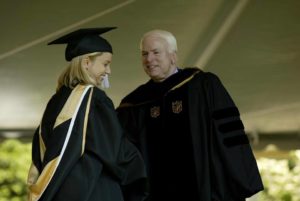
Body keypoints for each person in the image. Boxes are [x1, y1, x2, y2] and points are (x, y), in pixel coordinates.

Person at [116, 29, 264, 201]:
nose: (149, 59)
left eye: (156, 52)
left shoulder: (203, 87)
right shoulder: (134, 103)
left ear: (173, 56)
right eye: (144, 54)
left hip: (202, 189)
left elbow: (228, 137)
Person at [27, 27, 148, 201]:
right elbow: (116, 151)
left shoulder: (56, 100)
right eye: (105, 64)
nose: (109, 71)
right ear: (86, 63)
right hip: (94, 190)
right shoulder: (94, 99)